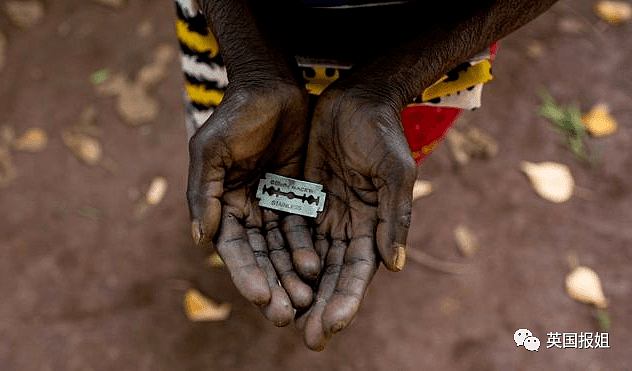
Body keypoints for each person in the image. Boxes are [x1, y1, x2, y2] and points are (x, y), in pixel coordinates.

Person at [174, 0, 558, 351]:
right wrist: (253, 64)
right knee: (233, 143)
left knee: (382, 163)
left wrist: (390, 85)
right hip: (234, 41)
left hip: (426, 67)